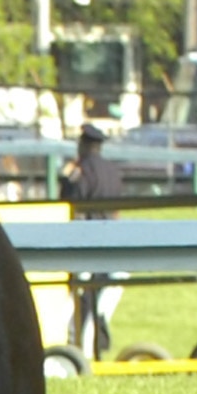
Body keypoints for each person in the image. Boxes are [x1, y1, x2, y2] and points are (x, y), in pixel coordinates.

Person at [60, 123, 126, 353]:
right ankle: (97, 341)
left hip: (86, 240)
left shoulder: (81, 172)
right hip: (111, 239)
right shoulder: (113, 171)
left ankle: (84, 348)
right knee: (99, 297)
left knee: (83, 299)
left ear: (84, 145)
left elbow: (72, 205)